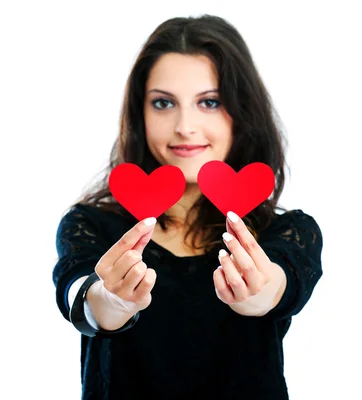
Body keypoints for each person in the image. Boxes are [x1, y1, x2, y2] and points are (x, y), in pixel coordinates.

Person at [52, 14, 323, 400]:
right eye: (163, 103)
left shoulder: (288, 232)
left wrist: (259, 291)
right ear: (139, 113)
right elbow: (80, 294)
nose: (184, 125)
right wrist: (109, 300)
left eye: (209, 102)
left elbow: (281, 285)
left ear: (242, 112)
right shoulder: (91, 224)